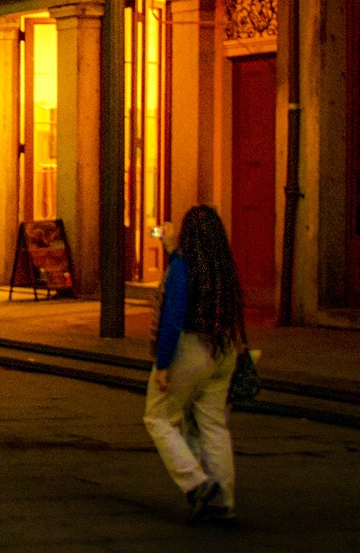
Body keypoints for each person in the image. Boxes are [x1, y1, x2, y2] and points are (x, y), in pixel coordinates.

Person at [143, 205, 246, 526]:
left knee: (159, 417)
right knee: (213, 424)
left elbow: (173, 314)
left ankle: (196, 482)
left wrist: (162, 365)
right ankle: (223, 501)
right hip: (223, 348)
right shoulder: (223, 265)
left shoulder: (184, 266)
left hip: (190, 348)